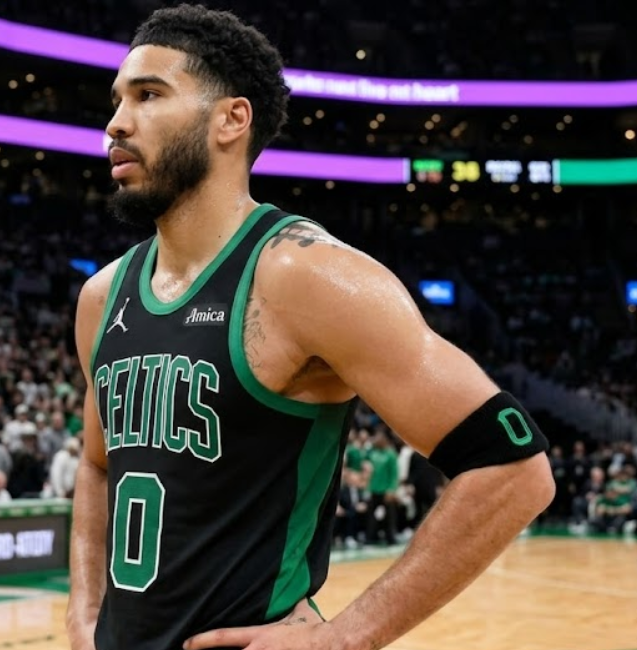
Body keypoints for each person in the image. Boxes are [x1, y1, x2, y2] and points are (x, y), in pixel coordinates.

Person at [66, 7, 554, 650]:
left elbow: (514, 469)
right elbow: (99, 469)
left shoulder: (306, 276)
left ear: (231, 120)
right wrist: (82, 614)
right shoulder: (102, 297)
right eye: (118, 100)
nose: (116, 124)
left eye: (149, 95)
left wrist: (345, 637)